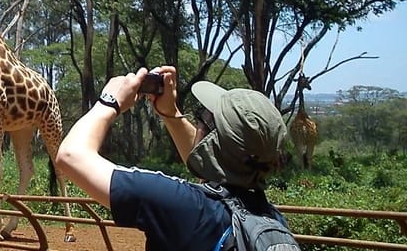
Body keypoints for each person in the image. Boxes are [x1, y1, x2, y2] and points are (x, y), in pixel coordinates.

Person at [56, 66, 289, 251]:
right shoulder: (271, 219)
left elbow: (70, 155)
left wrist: (109, 101)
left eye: (201, 117)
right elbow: (216, 167)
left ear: (212, 140)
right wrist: (171, 114)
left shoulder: (182, 206)